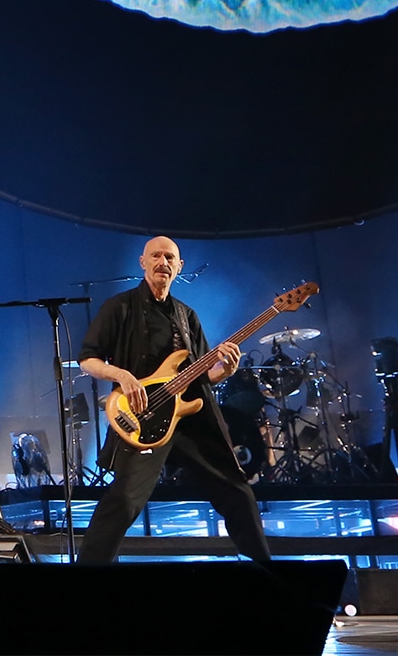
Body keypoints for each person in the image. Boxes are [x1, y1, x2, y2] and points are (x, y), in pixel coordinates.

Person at [75, 236, 271, 565]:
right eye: (156, 256)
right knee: (123, 500)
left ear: (179, 267)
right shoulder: (119, 307)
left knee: (239, 493)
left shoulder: (186, 316)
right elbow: (87, 360)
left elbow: (201, 376)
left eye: (169, 257)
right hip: (144, 418)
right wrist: (123, 376)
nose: (162, 262)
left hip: (187, 420)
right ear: (143, 262)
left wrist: (224, 370)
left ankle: (271, 578)